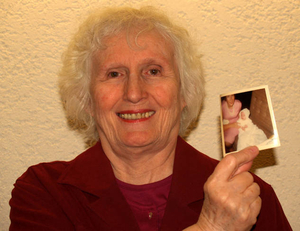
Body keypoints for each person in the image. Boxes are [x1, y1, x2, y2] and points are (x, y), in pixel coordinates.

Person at [9, 6, 292, 231]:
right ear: (87, 100)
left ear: (184, 93)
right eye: (114, 73)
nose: (133, 93)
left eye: (153, 71)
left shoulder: (248, 197)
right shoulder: (44, 192)